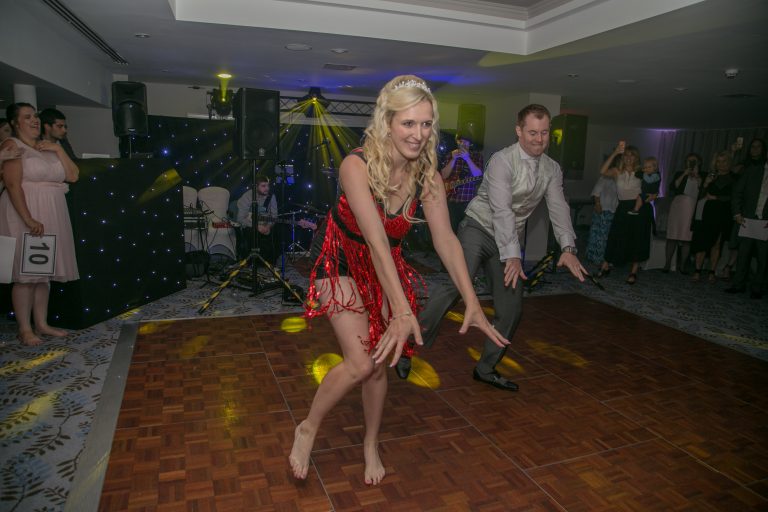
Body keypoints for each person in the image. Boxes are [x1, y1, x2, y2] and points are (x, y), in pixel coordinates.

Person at [289, 75, 507, 484]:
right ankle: (308, 426)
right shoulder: (356, 164)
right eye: (408, 123)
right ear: (387, 121)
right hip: (340, 257)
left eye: (426, 124)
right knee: (359, 362)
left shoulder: (428, 176)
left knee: (378, 364)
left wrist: (472, 300)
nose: (419, 134)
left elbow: (445, 239)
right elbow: (373, 240)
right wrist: (403, 311)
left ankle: (370, 442)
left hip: (382, 262)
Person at [395, 103, 587, 390]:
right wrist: (513, 256)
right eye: (532, 132)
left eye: (544, 133)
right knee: (458, 285)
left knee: (511, 308)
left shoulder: (552, 169)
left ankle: (486, 368)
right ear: (519, 131)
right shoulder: (502, 160)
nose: (539, 139)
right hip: (478, 227)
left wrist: (568, 248)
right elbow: (502, 211)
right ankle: (408, 343)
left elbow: (559, 208)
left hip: (508, 240)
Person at [0, 103, 79, 346]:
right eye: (27, 117)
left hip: (51, 213)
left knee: (42, 274)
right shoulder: (13, 146)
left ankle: (42, 323)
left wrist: (58, 149)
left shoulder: (47, 147)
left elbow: (73, 175)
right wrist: (28, 219)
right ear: (15, 123)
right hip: (25, 212)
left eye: (35, 116)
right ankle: (25, 329)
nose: (34, 120)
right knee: (26, 276)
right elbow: (13, 185)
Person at [597, 143, 649, 284]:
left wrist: (646, 198)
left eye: (632, 155)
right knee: (615, 236)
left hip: (638, 207)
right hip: (622, 207)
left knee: (636, 239)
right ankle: (605, 265)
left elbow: (651, 188)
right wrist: (615, 153)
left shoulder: (642, 172)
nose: (628, 158)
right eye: (626, 155)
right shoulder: (617, 171)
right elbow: (602, 171)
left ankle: (633, 271)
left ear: (636, 158)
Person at [690, 151, 737, 282]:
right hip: (709, 211)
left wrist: (717, 197)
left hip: (724, 212)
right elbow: (700, 196)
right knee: (703, 240)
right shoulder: (710, 175)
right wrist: (705, 184)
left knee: (717, 243)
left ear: (729, 163)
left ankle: (712, 271)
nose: (721, 164)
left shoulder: (734, 178)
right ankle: (697, 271)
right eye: (718, 161)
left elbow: (735, 197)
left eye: (724, 161)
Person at [725, 160, 768, 298]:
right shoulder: (752, 170)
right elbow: (738, 191)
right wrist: (737, 213)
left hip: (765, 222)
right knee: (743, 254)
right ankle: (738, 284)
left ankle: (758, 287)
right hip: (747, 219)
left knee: (763, 258)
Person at [663, 153, 703, 273]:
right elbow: (673, 187)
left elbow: (703, 189)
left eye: (693, 161)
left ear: (698, 162)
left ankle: (682, 265)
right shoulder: (680, 173)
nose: (690, 163)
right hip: (678, 205)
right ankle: (667, 263)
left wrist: (696, 176)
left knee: (687, 238)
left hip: (691, 207)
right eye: (688, 161)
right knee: (672, 236)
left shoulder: (702, 175)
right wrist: (684, 174)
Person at [441, 132, 483, 233]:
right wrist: (453, 160)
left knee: (465, 232)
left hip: (467, 203)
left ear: (470, 144)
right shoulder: (451, 155)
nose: (463, 144)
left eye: (466, 142)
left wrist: (467, 158)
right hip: (451, 201)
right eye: (461, 141)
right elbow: (444, 175)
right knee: (450, 231)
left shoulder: (476, 157)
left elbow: (478, 175)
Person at [235, 175, 278, 263]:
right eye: (263, 186)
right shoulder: (247, 196)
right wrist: (257, 226)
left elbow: (274, 216)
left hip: (266, 224)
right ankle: (253, 262)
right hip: (250, 225)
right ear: (256, 187)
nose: (267, 188)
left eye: (267, 185)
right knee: (252, 233)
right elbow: (240, 218)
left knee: (280, 232)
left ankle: (270, 261)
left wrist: (268, 226)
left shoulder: (271, 197)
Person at [585, 174, 618, 265]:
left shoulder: (622, 179)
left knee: (608, 236)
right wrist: (598, 204)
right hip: (602, 210)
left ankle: (606, 259)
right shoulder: (605, 177)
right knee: (598, 235)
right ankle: (595, 258)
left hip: (615, 211)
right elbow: (596, 192)